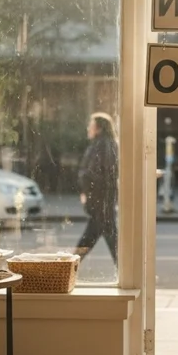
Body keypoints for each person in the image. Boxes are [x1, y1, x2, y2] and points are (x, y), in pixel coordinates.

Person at [75, 112, 118, 266]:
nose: (88, 128)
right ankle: (127, 269)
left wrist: (87, 191)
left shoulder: (102, 145)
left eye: (91, 125)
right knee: (110, 239)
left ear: (99, 128)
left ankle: (68, 267)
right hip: (103, 200)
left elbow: (94, 174)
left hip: (100, 200)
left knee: (92, 237)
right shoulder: (105, 144)